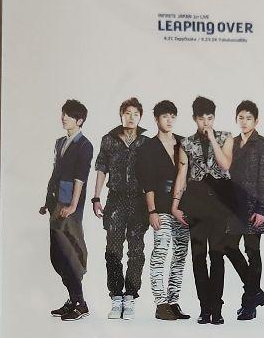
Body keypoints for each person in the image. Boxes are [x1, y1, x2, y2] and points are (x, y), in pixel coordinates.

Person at [172, 96, 235, 324]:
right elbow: (182, 174)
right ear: (194, 119)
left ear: (214, 118)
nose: (206, 122)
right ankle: (204, 308)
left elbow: (225, 165)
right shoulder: (186, 143)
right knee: (198, 257)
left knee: (217, 256)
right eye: (201, 118)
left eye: (209, 118)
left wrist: (212, 140)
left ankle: (217, 308)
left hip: (219, 202)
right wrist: (175, 204)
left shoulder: (225, 137)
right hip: (196, 201)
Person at [215, 100, 264, 321]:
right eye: (241, 117)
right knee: (229, 247)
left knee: (252, 251)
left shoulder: (263, 144)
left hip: (254, 206)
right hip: (234, 206)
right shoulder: (233, 142)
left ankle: (249, 303)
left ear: (256, 121)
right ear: (236, 119)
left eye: (249, 118)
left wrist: (262, 209)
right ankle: (255, 292)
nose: (244, 121)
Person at [93, 97, 148, 320]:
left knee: (136, 250)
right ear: (121, 115)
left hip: (139, 201)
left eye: (136, 114)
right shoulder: (109, 140)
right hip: (115, 199)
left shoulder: (145, 142)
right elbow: (101, 168)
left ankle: (131, 297)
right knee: (113, 249)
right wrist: (96, 197)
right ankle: (116, 297)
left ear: (140, 117)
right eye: (127, 113)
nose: (131, 117)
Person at [40, 99, 93, 321]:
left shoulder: (85, 145)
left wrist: (73, 205)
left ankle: (80, 303)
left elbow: (80, 178)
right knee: (57, 255)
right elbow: (55, 173)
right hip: (56, 204)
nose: (64, 118)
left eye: (69, 115)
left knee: (69, 254)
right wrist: (47, 201)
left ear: (79, 121)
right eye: (63, 113)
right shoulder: (60, 142)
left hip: (70, 207)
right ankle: (73, 299)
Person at [137, 100, 190, 321]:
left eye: (172, 116)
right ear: (156, 119)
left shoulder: (184, 143)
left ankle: (173, 301)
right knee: (160, 251)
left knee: (180, 254)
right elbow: (147, 182)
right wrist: (152, 211)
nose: (169, 120)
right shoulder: (148, 147)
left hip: (183, 206)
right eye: (165, 116)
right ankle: (161, 303)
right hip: (160, 205)